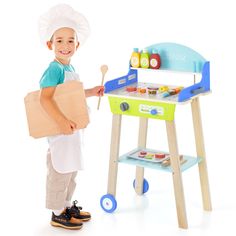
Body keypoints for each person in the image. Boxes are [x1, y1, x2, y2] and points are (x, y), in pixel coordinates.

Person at [38, 4, 104, 230]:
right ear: (50, 44)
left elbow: (71, 96)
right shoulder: (54, 69)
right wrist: (61, 122)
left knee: (71, 170)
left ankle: (66, 206)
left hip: (72, 131)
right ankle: (57, 213)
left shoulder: (70, 67)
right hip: (60, 131)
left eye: (70, 40)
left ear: (77, 44)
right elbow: (44, 99)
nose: (65, 45)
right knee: (59, 170)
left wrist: (92, 91)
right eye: (59, 40)